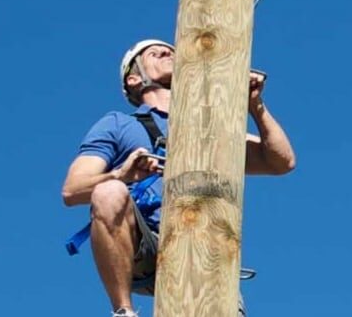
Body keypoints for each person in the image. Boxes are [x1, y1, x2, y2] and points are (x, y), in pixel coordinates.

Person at [62, 39, 296, 317]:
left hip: (207, 243)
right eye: (154, 53)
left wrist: (255, 106)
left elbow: (281, 161)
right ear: (134, 79)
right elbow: (72, 190)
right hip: (145, 242)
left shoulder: (208, 126)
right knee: (108, 192)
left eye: (171, 51)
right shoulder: (119, 124)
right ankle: (123, 312)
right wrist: (121, 174)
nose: (167, 52)